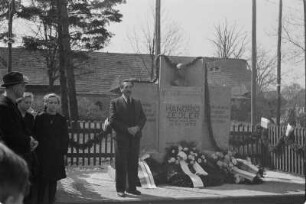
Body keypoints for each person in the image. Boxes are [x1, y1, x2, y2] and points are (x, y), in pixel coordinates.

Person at [109, 79, 147, 197]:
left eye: (130, 87)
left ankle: (132, 188)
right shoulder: (115, 102)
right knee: (121, 164)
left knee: (133, 163)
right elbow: (112, 120)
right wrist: (127, 129)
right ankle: (120, 189)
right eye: (126, 87)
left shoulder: (137, 102)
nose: (128, 89)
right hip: (121, 138)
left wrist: (137, 128)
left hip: (135, 138)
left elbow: (143, 118)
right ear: (121, 89)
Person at [33, 93, 69, 204]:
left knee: (53, 180)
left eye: (55, 103)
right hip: (42, 154)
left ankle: (51, 201)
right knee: (42, 181)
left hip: (56, 154)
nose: (53, 105)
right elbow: (35, 135)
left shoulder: (61, 119)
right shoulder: (40, 117)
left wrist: (64, 153)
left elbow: (65, 138)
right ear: (45, 103)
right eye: (50, 102)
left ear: (58, 104)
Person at [17, 92, 39, 204]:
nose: (28, 105)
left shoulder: (30, 117)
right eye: (26, 102)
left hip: (27, 151)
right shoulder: (12, 116)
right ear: (19, 102)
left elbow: (32, 132)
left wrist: (34, 141)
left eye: (30, 103)